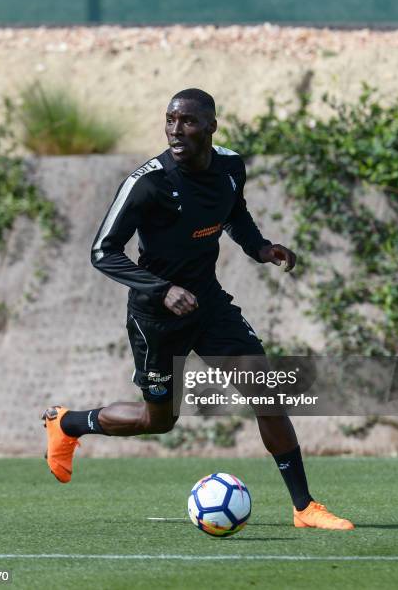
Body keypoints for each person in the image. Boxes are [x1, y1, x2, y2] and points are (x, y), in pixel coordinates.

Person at [42, 88, 353, 531]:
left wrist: (260, 247)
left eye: (187, 121)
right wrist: (161, 288)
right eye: (169, 119)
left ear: (211, 127)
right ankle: (68, 423)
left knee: (264, 390)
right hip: (156, 316)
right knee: (159, 420)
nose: (175, 130)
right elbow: (102, 252)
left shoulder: (230, 166)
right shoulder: (147, 183)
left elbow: (234, 213)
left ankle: (305, 508)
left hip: (208, 304)